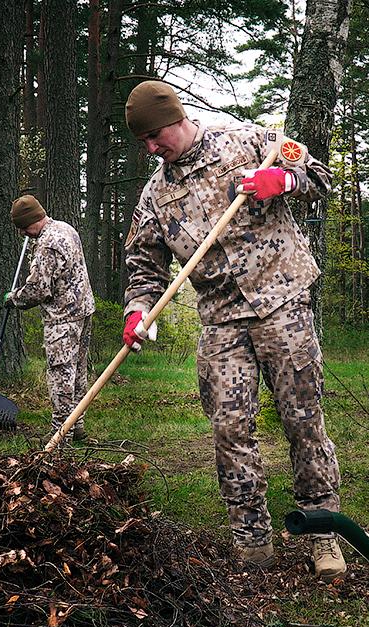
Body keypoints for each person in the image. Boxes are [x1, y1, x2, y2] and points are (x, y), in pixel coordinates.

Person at [120, 79, 346, 579]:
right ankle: (251, 537)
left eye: (156, 136)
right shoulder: (156, 193)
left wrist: (283, 182)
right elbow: (144, 264)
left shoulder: (249, 142)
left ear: (178, 118)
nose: (152, 148)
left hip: (281, 302)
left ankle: (324, 531)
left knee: (303, 419)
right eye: (144, 143)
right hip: (220, 318)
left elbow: (320, 179)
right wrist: (138, 310)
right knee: (229, 428)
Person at [5, 194, 96, 442]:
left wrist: (14, 298)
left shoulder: (47, 245)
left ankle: (60, 434)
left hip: (63, 318)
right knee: (77, 372)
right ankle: (77, 425)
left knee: (61, 374)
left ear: (30, 221)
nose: (23, 233)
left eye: (23, 228)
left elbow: (38, 289)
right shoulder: (65, 228)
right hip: (83, 310)